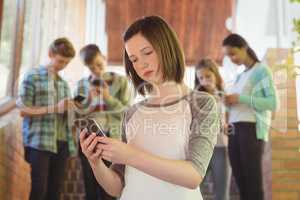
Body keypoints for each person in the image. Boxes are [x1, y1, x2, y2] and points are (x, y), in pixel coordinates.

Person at [79, 16, 219, 200]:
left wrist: (130, 155)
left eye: (147, 52)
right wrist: (95, 162)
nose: (141, 64)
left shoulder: (202, 104)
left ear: (167, 47)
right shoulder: (132, 113)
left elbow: (194, 175)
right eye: (134, 59)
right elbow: (116, 187)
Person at [17, 37, 77, 200]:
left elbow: (66, 116)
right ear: (50, 54)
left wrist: (70, 109)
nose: (62, 66)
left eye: (66, 63)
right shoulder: (32, 76)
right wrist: (54, 108)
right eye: (60, 61)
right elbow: (23, 109)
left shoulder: (64, 84)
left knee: (55, 191)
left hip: (62, 142)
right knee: (39, 190)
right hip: (39, 143)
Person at [222, 33, 278, 200]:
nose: (231, 58)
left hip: (251, 129)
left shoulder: (262, 70)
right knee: (240, 181)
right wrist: (228, 103)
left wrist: (240, 98)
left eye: (233, 53)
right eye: (227, 55)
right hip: (234, 129)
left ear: (244, 48)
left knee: (252, 181)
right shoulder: (240, 76)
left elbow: (273, 103)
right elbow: (238, 104)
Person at [74, 44, 131, 200]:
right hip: (88, 139)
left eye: (99, 65)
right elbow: (76, 116)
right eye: (92, 68)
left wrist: (108, 98)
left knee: (110, 187)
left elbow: (127, 113)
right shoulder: (81, 85)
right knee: (90, 184)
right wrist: (88, 101)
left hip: (112, 137)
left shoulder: (121, 82)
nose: (97, 70)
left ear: (104, 58)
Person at [195, 58, 231, 200]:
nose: (204, 81)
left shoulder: (224, 96)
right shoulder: (197, 97)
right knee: (194, 190)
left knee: (222, 193)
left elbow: (228, 118)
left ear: (216, 75)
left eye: (208, 76)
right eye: (201, 78)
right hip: (201, 148)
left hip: (221, 147)